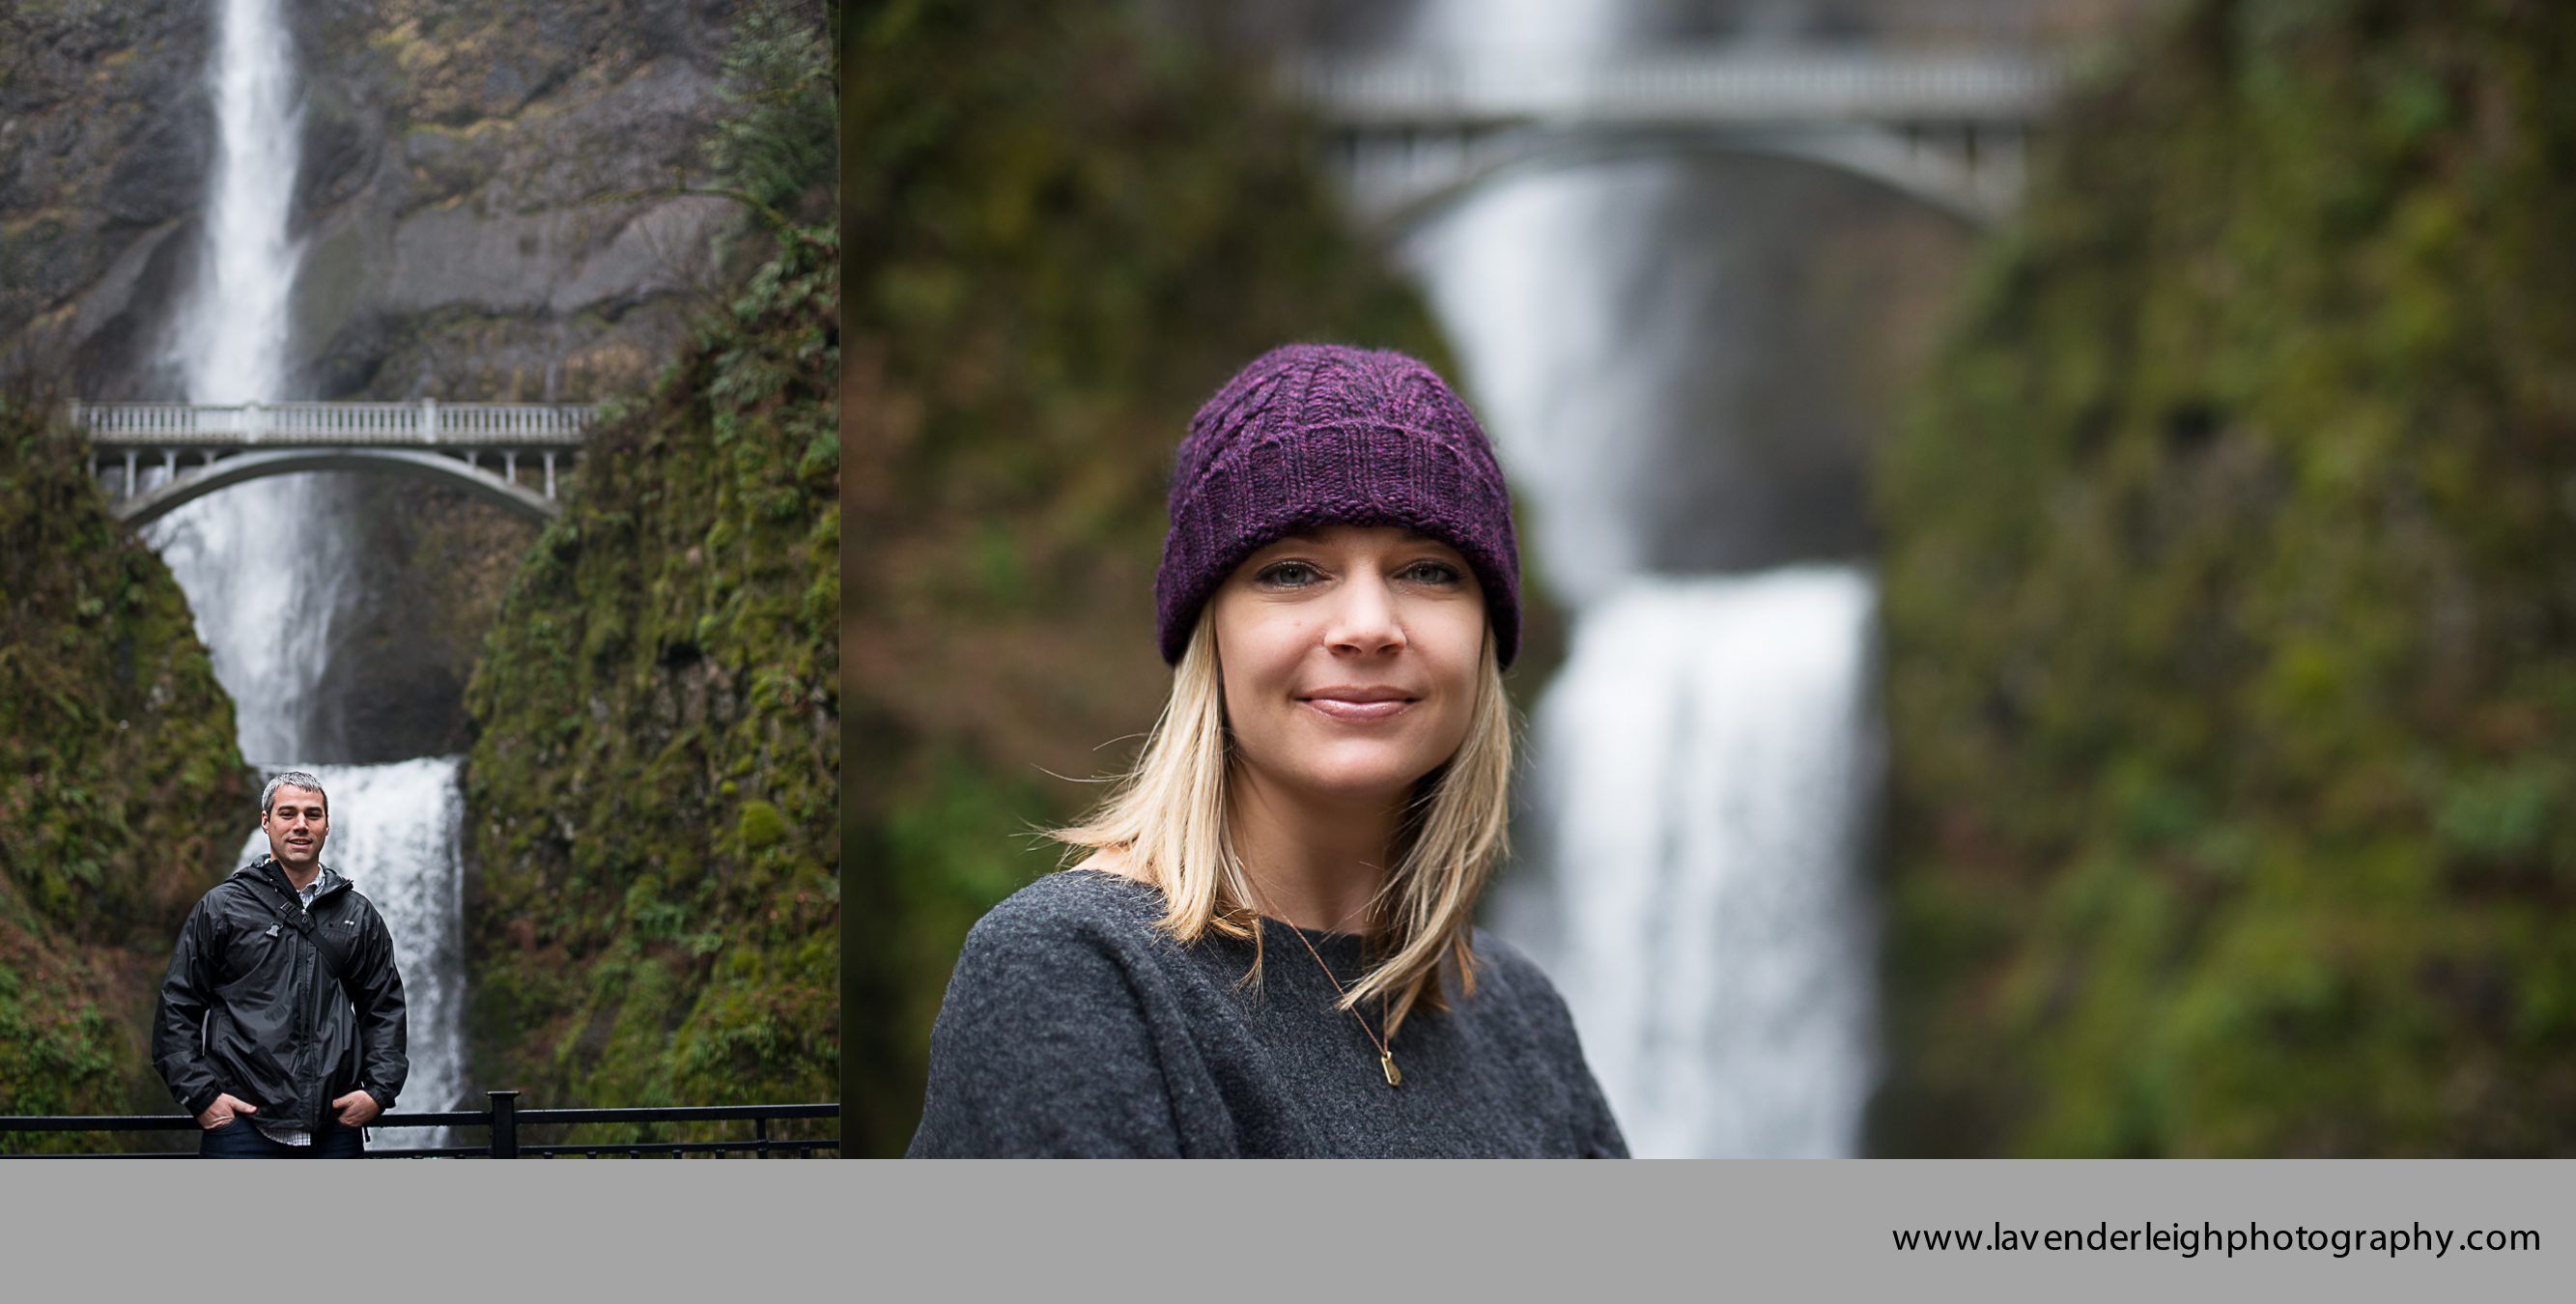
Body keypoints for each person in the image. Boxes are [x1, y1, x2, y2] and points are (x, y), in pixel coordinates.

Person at [908, 343, 1628, 1157]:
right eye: (1292, 572)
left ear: (1484, 635)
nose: (1366, 626)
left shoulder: (1516, 1016)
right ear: (1208, 636)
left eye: (1427, 570)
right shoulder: (1077, 975)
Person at [152, 771, 409, 1158]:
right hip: (241, 1126)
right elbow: (178, 1005)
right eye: (287, 813)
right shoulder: (223, 908)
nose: (301, 825)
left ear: (327, 826)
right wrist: (202, 1096)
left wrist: (377, 1092)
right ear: (266, 822)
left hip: (334, 1127)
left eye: (313, 814)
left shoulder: (357, 914)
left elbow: (383, 1008)